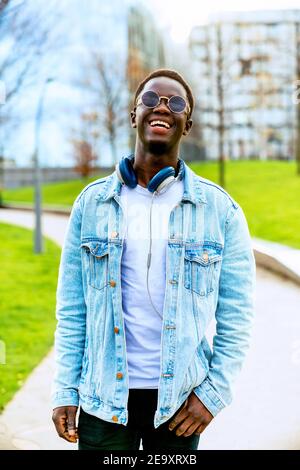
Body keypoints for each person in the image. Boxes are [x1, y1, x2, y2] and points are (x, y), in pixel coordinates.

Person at [51, 69, 256, 451]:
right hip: (102, 401)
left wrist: (213, 395)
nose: (162, 106)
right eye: (151, 99)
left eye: (175, 103)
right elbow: (72, 309)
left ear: (187, 125)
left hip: (179, 403)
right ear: (134, 116)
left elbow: (237, 315)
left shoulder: (220, 211)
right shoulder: (91, 204)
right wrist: (65, 387)